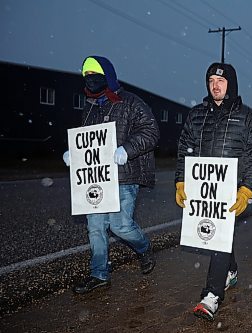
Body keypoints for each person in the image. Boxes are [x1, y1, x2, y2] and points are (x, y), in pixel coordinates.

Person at [174, 62, 252, 321]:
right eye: (211, 80)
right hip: (204, 191)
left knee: (219, 238)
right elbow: (185, 149)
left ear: (231, 84)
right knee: (220, 238)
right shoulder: (196, 115)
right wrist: (181, 182)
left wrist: (247, 189)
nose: (215, 85)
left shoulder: (248, 117)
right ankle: (231, 271)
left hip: (232, 190)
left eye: (221, 81)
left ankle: (212, 295)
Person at [63, 55, 160, 294]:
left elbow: (151, 131)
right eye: (86, 76)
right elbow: (87, 142)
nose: (90, 79)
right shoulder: (90, 107)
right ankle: (99, 274)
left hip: (123, 176)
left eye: (95, 74)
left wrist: (127, 149)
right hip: (96, 179)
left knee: (120, 226)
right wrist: (73, 154)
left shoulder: (130, 102)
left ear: (107, 75)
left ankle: (144, 249)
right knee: (95, 227)